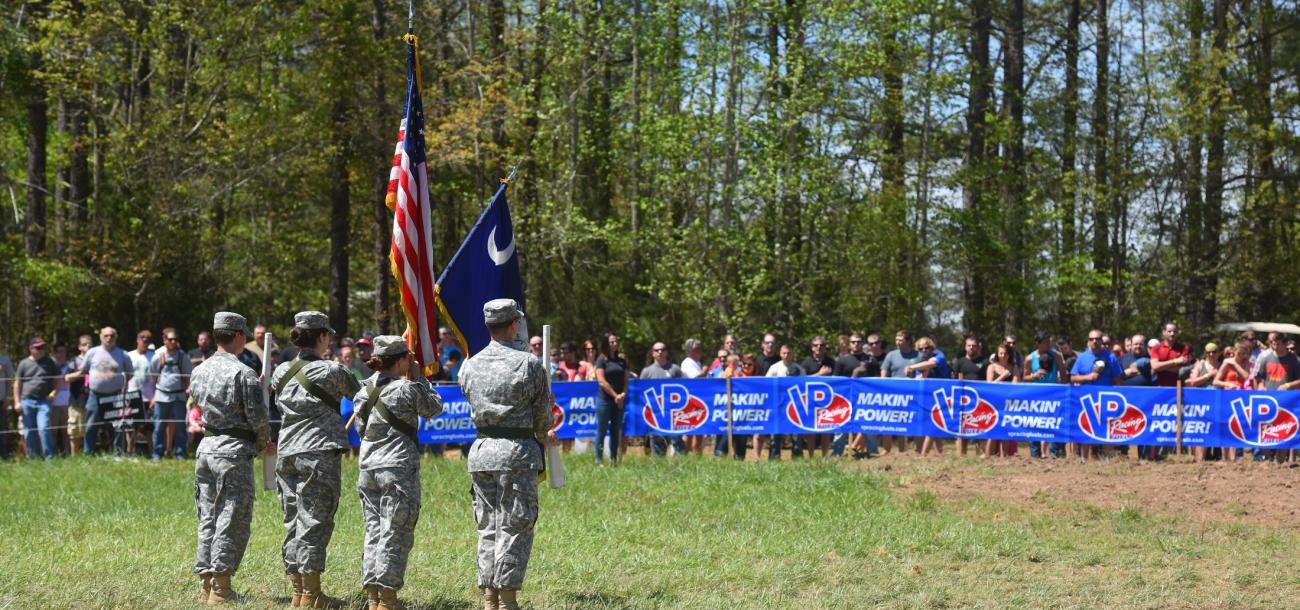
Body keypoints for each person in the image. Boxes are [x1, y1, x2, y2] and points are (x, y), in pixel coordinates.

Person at [458, 299, 555, 610]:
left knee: (487, 527)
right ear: (514, 325)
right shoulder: (528, 364)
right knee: (514, 527)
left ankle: (490, 599)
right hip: (517, 455)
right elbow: (543, 417)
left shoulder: (469, 365)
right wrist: (544, 434)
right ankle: (508, 601)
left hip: (482, 453)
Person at [270, 311, 362, 609]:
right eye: (328, 336)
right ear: (321, 337)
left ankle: (298, 591)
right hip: (318, 453)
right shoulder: (332, 371)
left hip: (286, 453)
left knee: (292, 518)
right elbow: (360, 393)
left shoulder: (280, 371)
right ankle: (312, 594)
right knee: (314, 520)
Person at [352, 336, 442, 610]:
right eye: (407, 358)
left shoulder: (363, 391)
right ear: (401, 360)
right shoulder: (407, 390)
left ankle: (373, 597)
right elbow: (434, 407)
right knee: (395, 531)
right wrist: (419, 378)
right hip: (397, 468)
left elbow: (360, 430)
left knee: (374, 530)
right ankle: (388, 599)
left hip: (368, 468)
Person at [190, 312, 272, 604]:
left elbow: (197, 404)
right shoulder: (243, 373)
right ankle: (221, 588)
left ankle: (206, 584)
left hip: (207, 448)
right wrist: (264, 444)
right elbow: (258, 419)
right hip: (233, 453)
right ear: (238, 336)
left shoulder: (199, 370)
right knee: (231, 518)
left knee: (208, 517)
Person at [79, 327, 134, 454]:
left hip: (115, 395)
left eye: (112, 336)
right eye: (106, 336)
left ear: (116, 337)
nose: (109, 338)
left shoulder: (123, 354)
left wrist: (118, 381)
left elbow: (130, 373)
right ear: (100, 337)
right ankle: (88, 453)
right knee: (91, 425)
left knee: (118, 426)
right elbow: (83, 371)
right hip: (95, 395)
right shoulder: (92, 352)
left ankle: (118, 453)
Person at [14, 337, 61, 460]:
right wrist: (17, 402)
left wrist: (53, 394)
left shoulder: (51, 362)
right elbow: (17, 384)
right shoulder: (24, 363)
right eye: (38, 348)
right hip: (27, 401)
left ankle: (49, 458)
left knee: (44, 428)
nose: (41, 350)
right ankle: (33, 459)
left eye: (43, 348)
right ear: (31, 349)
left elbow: (59, 381)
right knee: (29, 431)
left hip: (44, 402)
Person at [151, 328, 193, 460]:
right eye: (170, 339)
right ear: (164, 340)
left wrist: (187, 392)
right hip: (161, 396)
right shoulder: (158, 356)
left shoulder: (183, 356)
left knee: (181, 427)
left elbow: (188, 376)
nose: (173, 341)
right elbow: (153, 376)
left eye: (175, 339)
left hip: (178, 396)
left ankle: (180, 452)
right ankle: (157, 452)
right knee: (158, 426)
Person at [640, 342, 687, 457]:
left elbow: (687, 386)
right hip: (655, 417)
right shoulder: (647, 371)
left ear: (667, 352)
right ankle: (659, 472)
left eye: (662, 349)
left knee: (678, 447)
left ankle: (683, 471)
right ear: (652, 353)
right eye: (656, 350)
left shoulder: (675, 369)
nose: (659, 352)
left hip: (674, 416)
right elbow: (640, 393)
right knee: (657, 449)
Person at [1023, 333, 1065, 458]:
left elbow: (1063, 374)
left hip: (1053, 394)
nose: (1048, 344)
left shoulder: (1056, 356)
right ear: (1037, 344)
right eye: (1045, 342)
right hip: (1036, 395)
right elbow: (1024, 378)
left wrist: (1062, 389)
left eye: (1049, 341)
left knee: (1054, 422)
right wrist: (1034, 376)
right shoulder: (1030, 358)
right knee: (1035, 423)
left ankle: (1054, 453)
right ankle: (1035, 454)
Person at [880, 330, 922, 454]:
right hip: (892, 394)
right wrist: (883, 385)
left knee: (912, 421)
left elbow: (923, 373)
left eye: (901, 340)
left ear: (908, 341)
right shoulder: (891, 355)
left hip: (912, 394)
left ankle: (909, 450)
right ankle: (886, 449)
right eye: (896, 339)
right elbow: (884, 372)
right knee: (888, 421)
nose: (897, 342)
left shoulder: (918, 356)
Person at [592, 332, 628, 466]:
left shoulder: (622, 361)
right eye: (612, 342)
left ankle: (614, 460)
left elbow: (626, 380)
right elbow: (601, 381)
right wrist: (615, 395)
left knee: (615, 429)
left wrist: (622, 394)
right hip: (605, 400)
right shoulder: (601, 360)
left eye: (616, 341)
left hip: (619, 401)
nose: (615, 344)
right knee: (601, 429)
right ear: (606, 344)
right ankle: (599, 460)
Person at [765, 345, 805, 460]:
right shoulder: (774, 368)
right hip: (778, 405)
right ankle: (774, 457)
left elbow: (804, 385)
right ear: (780, 353)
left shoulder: (799, 368)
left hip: (794, 406)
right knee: (775, 433)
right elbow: (766, 384)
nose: (786, 356)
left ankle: (797, 457)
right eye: (784, 353)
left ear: (792, 354)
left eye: (788, 353)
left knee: (796, 433)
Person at [984, 342, 1020, 458]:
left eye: (1005, 353)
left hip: (1008, 403)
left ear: (1009, 355)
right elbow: (989, 385)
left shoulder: (1014, 368)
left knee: (1005, 430)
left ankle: (1004, 455)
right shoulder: (991, 367)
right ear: (997, 354)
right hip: (993, 402)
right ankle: (989, 456)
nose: (1003, 356)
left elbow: (1015, 384)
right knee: (993, 430)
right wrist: (1002, 377)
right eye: (1000, 353)